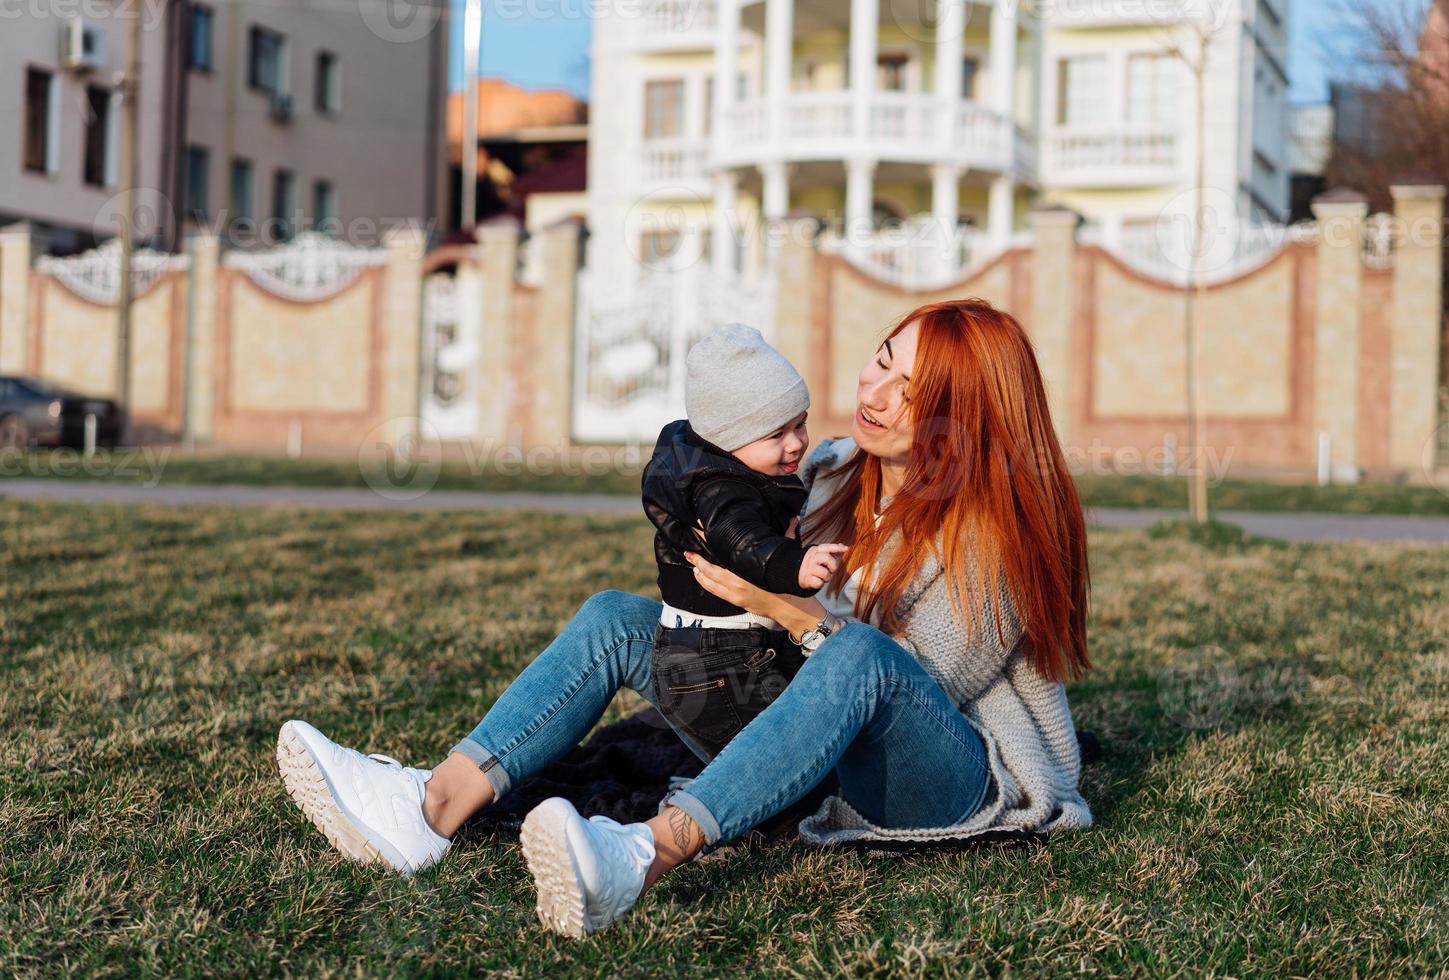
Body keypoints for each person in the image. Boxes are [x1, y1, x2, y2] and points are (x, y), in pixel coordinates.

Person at [276, 297, 1094, 941]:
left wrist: (777, 605)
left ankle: (641, 856)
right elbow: (706, 471)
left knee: (860, 657)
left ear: (967, 415)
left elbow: (908, 690)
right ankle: (430, 809)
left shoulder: (998, 541)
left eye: (909, 392)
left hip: (945, 780)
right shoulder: (835, 467)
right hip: (811, 732)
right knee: (618, 617)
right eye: (881, 363)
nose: (872, 395)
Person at [641, 322, 847, 761]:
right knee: (767, 755)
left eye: (801, 424)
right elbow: (744, 543)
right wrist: (797, 565)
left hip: (694, 654)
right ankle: (740, 807)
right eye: (776, 434)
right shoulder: (723, 489)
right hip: (722, 662)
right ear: (729, 438)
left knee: (742, 744)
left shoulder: (715, 465)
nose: (796, 444)